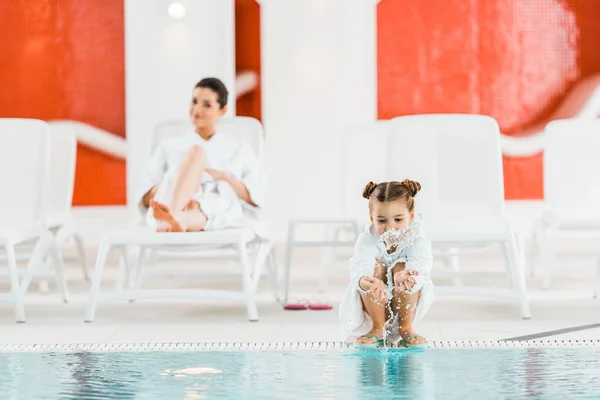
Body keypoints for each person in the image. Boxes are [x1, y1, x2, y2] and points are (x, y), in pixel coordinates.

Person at [136, 77, 268, 233]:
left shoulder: (239, 147)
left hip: (217, 203)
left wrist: (225, 177)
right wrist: (175, 181)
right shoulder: (169, 145)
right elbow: (145, 197)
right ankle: (176, 214)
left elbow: (256, 195)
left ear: (222, 111)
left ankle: (176, 219)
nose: (197, 109)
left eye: (207, 105)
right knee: (196, 153)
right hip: (173, 197)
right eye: (194, 101)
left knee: (203, 206)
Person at [339, 179, 434, 348]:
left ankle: (406, 327)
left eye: (398, 220)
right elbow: (359, 268)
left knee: (402, 267)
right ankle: (377, 327)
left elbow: (421, 266)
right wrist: (367, 282)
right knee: (374, 268)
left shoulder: (417, 239)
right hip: (374, 301)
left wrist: (408, 274)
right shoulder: (367, 239)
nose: (390, 228)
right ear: (372, 218)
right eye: (382, 221)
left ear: (411, 217)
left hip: (407, 297)